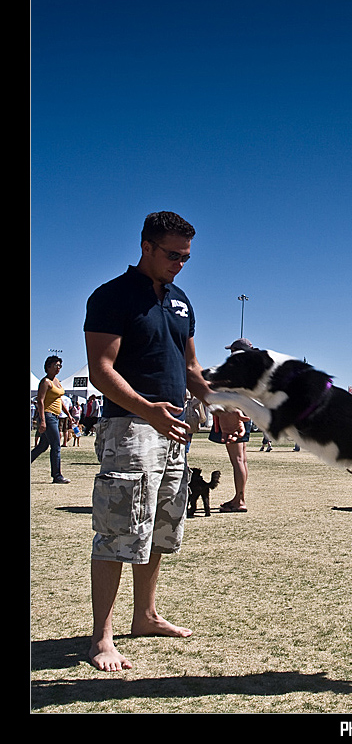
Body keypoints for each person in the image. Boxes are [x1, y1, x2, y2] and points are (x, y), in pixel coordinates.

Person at [84, 211, 248, 673]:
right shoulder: (112, 296)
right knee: (119, 531)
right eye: (173, 255)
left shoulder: (180, 301)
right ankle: (102, 637)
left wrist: (221, 406)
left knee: (160, 528)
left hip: (174, 428)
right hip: (130, 428)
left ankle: (146, 616)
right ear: (146, 247)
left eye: (186, 257)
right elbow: (101, 370)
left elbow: (191, 368)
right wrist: (147, 410)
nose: (180, 264)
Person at [210, 338, 254, 512]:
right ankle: (239, 497)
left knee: (237, 461)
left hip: (233, 416)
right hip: (244, 415)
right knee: (242, 460)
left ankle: (239, 500)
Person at [31, 356, 72, 483]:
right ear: (48, 367)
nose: (58, 368)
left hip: (55, 416)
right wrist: (42, 420)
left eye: (60, 366)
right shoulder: (45, 382)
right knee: (56, 446)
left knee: (42, 446)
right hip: (48, 416)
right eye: (56, 365)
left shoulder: (57, 381)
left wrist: (68, 414)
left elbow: (59, 399)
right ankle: (57, 476)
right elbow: (40, 401)